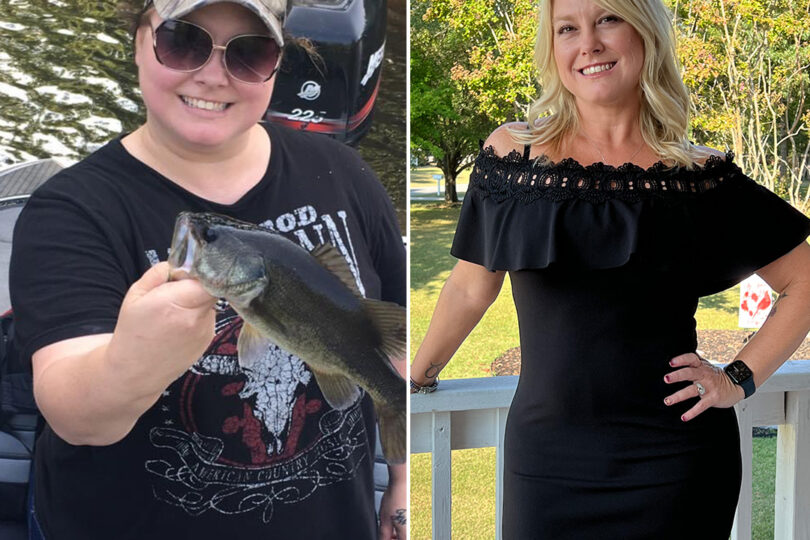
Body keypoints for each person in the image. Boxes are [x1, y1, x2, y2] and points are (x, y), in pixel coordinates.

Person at [410, 0, 810, 537]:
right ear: (552, 49)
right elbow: (468, 289)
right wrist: (416, 374)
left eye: (608, 20)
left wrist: (737, 378)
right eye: (567, 28)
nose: (588, 44)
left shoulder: (697, 177)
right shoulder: (514, 157)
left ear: (646, 33)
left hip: (675, 462)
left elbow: (804, 280)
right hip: (547, 465)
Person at [9, 1, 407, 539]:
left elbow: (395, 346)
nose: (213, 74)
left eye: (249, 52)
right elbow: (77, 416)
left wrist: (401, 483)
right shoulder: (72, 212)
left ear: (277, 62)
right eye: (183, 41)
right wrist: (131, 364)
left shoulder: (343, 172)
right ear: (140, 38)